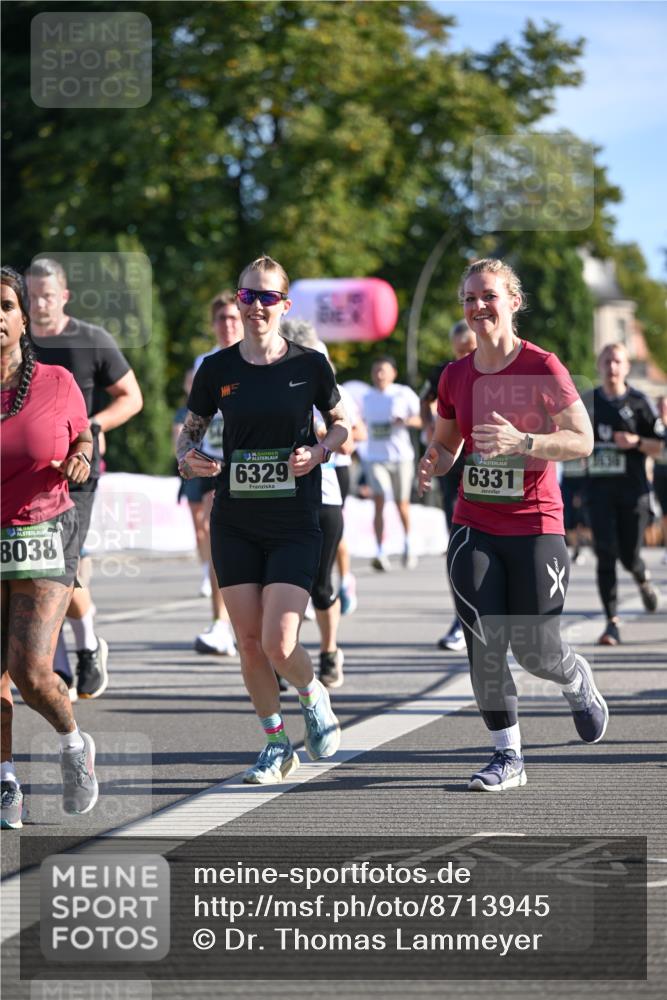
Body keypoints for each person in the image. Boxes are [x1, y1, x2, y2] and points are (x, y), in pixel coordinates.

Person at [419, 257, 607, 792]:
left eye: (489, 296)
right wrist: (433, 460)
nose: (478, 307)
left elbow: (582, 440)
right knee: (483, 636)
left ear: (512, 302)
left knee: (535, 650)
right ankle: (508, 755)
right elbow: (448, 441)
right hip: (474, 523)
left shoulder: (543, 367)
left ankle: (574, 678)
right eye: (470, 299)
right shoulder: (455, 375)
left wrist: (526, 443)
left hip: (535, 523)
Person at [176, 255, 350, 784]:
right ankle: (276, 744)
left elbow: (342, 425)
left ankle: (312, 690)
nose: (256, 306)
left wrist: (320, 452)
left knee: (278, 642)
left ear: (284, 305)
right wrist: (188, 456)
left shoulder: (309, 365)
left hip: (295, 518)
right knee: (248, 643)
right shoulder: (218, 369)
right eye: (247, 296)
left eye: (267, 297)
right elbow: (190, 432)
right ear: (238, 300)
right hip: (235, 519)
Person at [1, 266, 98, 829]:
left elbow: (81, 431)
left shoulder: (56, 381)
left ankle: (72, 744)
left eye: (6, 306)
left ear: (21, 317)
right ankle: (5, 782)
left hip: (42, 534)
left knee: (31, 669)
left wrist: (81, 454)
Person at [26, 258, 143, 700]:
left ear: (65, 297)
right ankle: (58, 664)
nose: (39, 305)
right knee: (35, 567)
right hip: (24, 474)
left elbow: (132, 398)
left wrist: (93, 427)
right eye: (32, 296)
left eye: (47, 296)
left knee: (62, 565)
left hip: (77, 473)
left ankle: (86, 648)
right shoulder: (14, 342)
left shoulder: (91, 339)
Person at [281, 317, 353, 688]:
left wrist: (323, 438)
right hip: (274, 496)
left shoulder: (329, 388)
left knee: (321, 585)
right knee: (273, 583)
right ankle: (279, 654)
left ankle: (329, 652)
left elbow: (350, 441)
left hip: (322, 493)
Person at [583, 343, 663, 645]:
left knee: (629, 556)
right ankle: (611, 622)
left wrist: (635, 442)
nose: (612, 367)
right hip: (598, 492)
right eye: (606, 361)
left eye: (617, 361)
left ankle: (642, 578)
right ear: (599, 365)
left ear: (627, 367)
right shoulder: (588, 402)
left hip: (633, 492)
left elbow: (660, 446)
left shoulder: (640, 403)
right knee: (605, 554)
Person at [189, 291, 245, 656]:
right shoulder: (205, 362)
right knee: (215, 535)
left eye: (232, 318)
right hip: (213, 459)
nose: (227, 325)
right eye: (220, 319)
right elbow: (196, 414)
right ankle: (220, 623)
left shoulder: (257, 358)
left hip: (253, 461)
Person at [420, 320, 477, 650]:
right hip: (455, 472)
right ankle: (462, 619)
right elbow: (424, 401)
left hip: (494, 473)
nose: (463, 356)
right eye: (459, 350)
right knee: (459, 546)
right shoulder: (445, 372)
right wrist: (432, 432)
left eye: (468, 350)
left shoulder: (498, 367)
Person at [361, 356, 421, 571]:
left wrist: (404, 421)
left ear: (393, 373)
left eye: (383, 371)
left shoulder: (403, 393)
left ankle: (408, 544)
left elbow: (422, 419)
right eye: (376, 371)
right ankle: (380, 551)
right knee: (378, 502)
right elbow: (359, 424)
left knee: (401, 503)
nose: (379, 375)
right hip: (375, 458)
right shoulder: (366, 397)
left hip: (401, 457)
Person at [653, 396, 667, 564]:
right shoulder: (655, 427)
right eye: (661, 406)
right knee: (664, 514)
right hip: (660, 472)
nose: (663, 409)